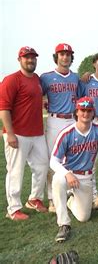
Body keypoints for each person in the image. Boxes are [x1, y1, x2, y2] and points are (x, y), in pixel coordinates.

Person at [50, 97, 98, 242]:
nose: (85, 113)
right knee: (57, 180)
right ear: (76, 112)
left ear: (93, 113)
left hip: (86, 177)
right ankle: (64, 224)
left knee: (84, 217)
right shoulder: (67, 133)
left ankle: (71, 201)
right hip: (69, 174)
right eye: (82, 110)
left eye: (88, 110)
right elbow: (53, 161)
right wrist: (67, 174)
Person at [0, 46, 49, 220]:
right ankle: (13, 208)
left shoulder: (36, 78)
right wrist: (10, 133)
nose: (30, 60)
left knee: (42, 166)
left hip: (37, 132)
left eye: (33, 57)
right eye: (27, 57)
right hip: (18, 133)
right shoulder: (11, 80)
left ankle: (34, 198)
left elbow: (35, 99)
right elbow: (4, 108)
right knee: (15, 171)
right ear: (19, 59)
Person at [40, 43, 80, 212]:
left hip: (72, 119)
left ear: (71, 57)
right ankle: (52, 198)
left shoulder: (76, 77)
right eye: (62, 54)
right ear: (56, 57)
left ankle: (72, 194)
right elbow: (36, 95)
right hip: (55, 120)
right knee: (53, 159)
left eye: (68, 54)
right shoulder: (46, 77)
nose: (65, 57)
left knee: (73, 157)